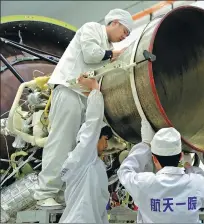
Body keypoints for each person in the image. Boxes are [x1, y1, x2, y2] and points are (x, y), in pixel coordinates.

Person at [34, 8, 133, 208]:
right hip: (69, 90)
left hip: (84, 97)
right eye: (124, 30)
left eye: (128, 35)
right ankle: (45, 192)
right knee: (61, 142)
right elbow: (90, 55)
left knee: (73, 148)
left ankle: (60, 191)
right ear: (114, 22)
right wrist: (114, 54)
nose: (124, 36)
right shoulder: (92, 29)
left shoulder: (108, 46)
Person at [117, 120, 204, 223]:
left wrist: (145, 145)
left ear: (154, 159)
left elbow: (124, 171)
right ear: (181, 156)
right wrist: (190, 168)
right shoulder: (196, 183)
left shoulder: (145, 183)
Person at [58, 76, 113, 223]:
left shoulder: (88, 162)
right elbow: (92, 124)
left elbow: (99, 209)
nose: (106, 146)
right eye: (105, 139)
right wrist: (95, 91)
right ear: (95, 138)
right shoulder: (82, 157)